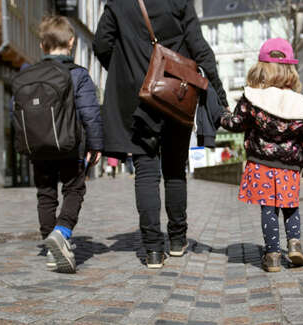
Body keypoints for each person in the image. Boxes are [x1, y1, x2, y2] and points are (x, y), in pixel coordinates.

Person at [94, 0, 227, 268]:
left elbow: (101, 44)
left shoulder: (118, 3)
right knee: (175, 169)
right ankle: (177, 240)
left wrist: (129, 69)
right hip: (176, 92)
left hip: (138, 96)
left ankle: (153, 249)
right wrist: (219, 97)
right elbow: (198, 46)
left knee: (146, 170)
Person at [220, 38, 303, 273]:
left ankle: (273, 254)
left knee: (269, 208)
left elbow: (235, 124)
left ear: (262, 68)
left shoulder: (253, 98)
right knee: (290, 206)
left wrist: (220, 115)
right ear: (290, 69)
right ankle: (294, 244)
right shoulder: (301, 105)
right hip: (290, 167)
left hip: (260, 164)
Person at [31, 16, 103, 273]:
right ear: (71, 42)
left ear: (42, 45)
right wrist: (96, 144)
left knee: (46, 193)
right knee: (74, 189)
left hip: (38, 146)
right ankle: (61, 233)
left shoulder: (27, 74)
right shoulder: (79, 75)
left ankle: (52, 246)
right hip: (71, 144)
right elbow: (90, 112)